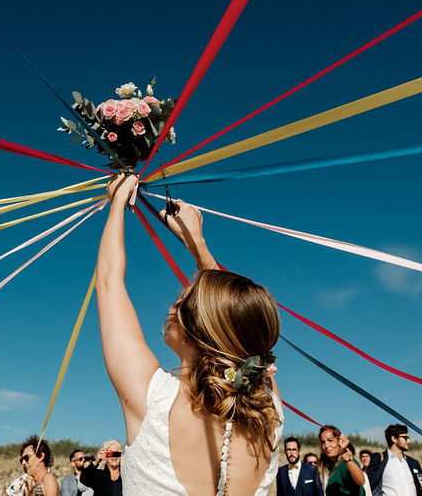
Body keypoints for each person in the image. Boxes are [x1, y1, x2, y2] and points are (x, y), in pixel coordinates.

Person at [95, 176, 283, 496]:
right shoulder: (268, 411)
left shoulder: (152, 399)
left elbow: (109, 282)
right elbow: (237, 320)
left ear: (196, 330)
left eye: (182, 301)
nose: (172, 305)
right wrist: (197, 243)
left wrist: (117, 202)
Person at [367, 424, 422, 496]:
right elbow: (368, 485)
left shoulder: (414, 463)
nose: (408, 441)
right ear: (394, 439)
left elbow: (420, 490)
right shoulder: (379, 459)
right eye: (405, 438)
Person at [317, 426, 365, 496]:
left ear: (340, 441)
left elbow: (361, 481)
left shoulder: (345, 463)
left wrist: (345, 456)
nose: (326, 445)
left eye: (330, 440)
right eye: (323, 442)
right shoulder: (331, 467)